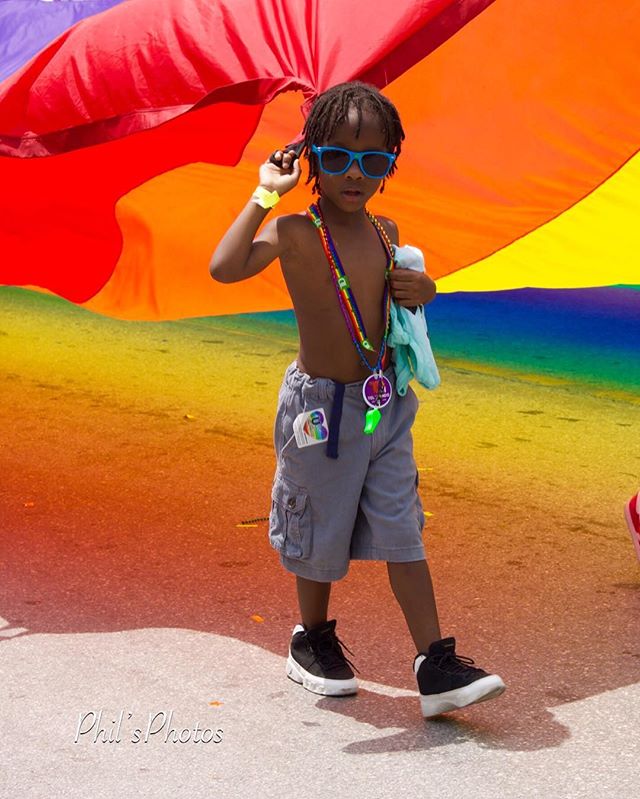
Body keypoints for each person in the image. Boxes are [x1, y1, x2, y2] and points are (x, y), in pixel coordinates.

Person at [209, 81, 505, 718]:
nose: (355, 173)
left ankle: (435, 661)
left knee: (403, 529)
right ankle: (311, 638)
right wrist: (265, 190)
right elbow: (224, 267)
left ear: (390, 165)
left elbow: (399, 309)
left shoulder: (386, 230)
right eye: (338, 156)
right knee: (317, 526)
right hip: (321, 414)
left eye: (373, 160)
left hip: (384, 406)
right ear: (311, 157)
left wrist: (424, 288)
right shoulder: (293, 231)